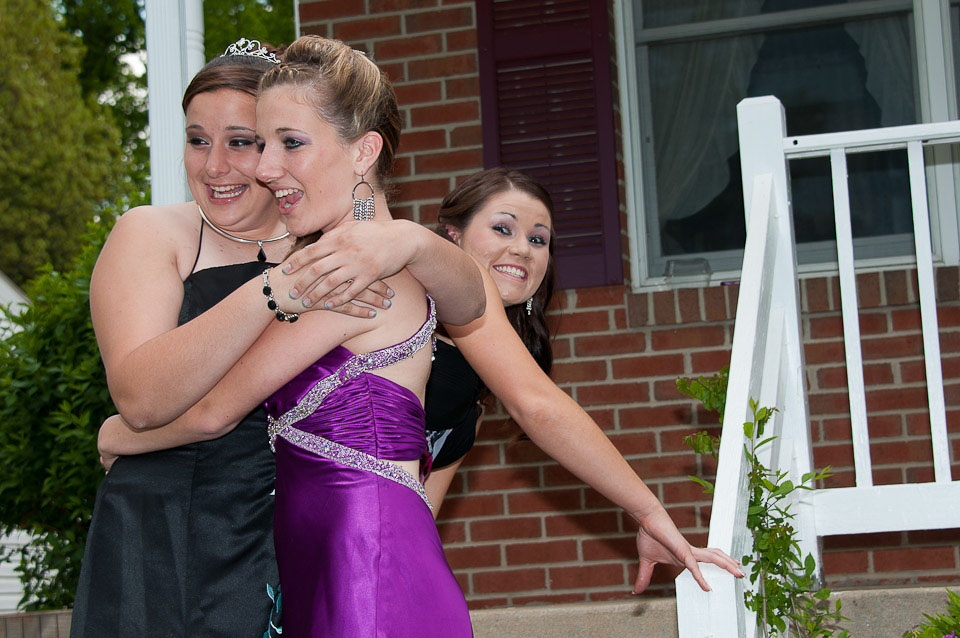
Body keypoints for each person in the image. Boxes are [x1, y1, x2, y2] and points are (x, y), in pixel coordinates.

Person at [73, 38, 484, 638]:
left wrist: (118, 435)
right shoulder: (317, 255)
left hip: (347, 546)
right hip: (221, 538)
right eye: (197, 139)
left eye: (260, 142)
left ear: (362, 150)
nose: (241, 166)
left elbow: (215, 410)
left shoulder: (345, 264)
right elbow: (149, 395)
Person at [282, 166, 747, 593]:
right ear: (452, 236)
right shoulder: (394, 305)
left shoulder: (476, 392)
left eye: (539, 239)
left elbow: (416, 516)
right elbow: (537, 405)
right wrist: (648, 512)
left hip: (357, 558)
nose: (523, 248)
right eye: (503, 229)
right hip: (285, 526)